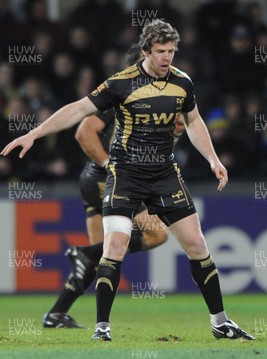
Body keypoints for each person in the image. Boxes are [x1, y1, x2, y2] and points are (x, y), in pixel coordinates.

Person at [1, 19, 254, 341]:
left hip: (165, 174)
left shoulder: (182, 83)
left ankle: (220, 323)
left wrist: (213, 159)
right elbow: (79, 111)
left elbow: (193, 121)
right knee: (115, 245)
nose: (167, 58)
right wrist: (35, 133)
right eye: (161, 51)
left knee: (197, 244)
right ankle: (102, 328)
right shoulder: (122, 83)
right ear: (146, 50)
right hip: (125, 175)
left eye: (172, 51)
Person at [42, 45, 178, 329]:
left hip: (95, 179)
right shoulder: (124, 96)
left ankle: (55, 315)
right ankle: (83, 255)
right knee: (156, 234)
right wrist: (109, 165)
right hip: (107, 177)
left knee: (101, 257)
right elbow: (83, 131)